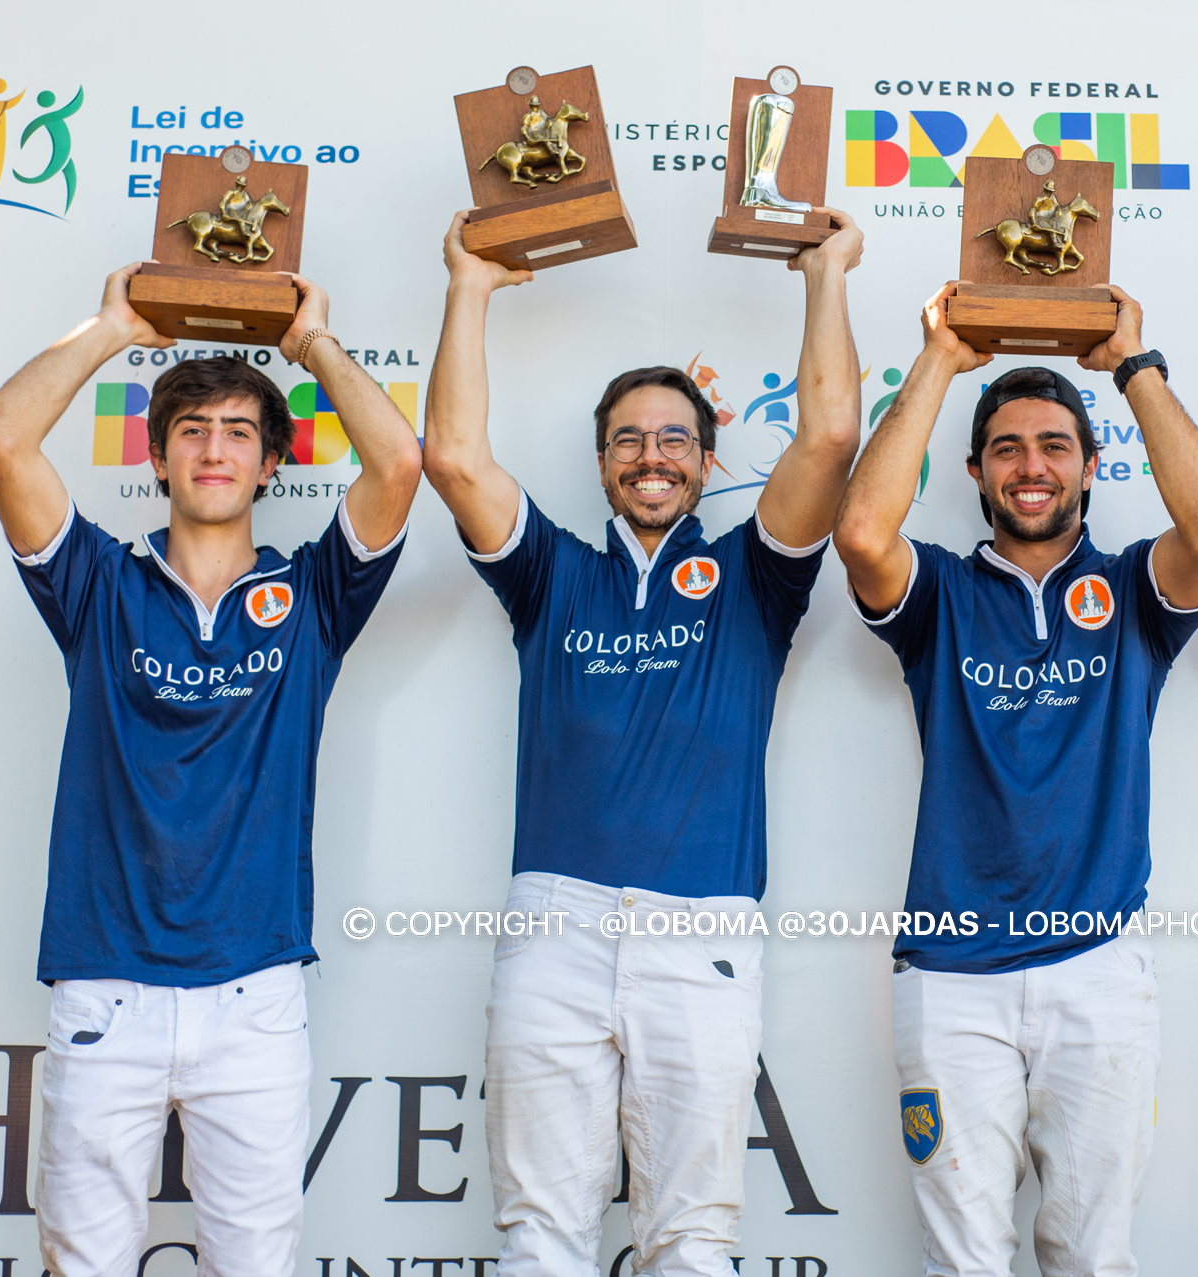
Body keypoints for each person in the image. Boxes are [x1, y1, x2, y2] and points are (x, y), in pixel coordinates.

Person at [420, 206, 865, 1277]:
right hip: (555, 929)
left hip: (702, 931)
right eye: (627, 437)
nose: (650, 453)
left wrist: (826, 275)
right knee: (539, 1237)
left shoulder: (757, 578)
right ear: (602, 461)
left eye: (674, 437)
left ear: (708, 463)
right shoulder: (552, 572)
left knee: (693, 1241)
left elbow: (832, 438)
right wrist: (469, 285)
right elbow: (451, 455)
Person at [0, 263, 423, 1277]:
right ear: (159, 457)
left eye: (237, 433)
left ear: (270, 466)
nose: (213, 447)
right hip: (104, 989)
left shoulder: (312, 596)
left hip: (255, 992)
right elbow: (2, 436)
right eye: (191, 430)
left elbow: (398, 462)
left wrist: (307, 346)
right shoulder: (96, 583)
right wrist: (115, 326)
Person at [832, 282, 1198, 1275]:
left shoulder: (1136, 589)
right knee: (963, 1260)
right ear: (973, 468)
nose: (1031, 466)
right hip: (952, 975)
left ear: (1092, 467)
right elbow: (860, 537)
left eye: (1056, 445)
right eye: (1008, 446)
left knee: (1090, 1257)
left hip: (1098, 970)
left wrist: (1133, 364)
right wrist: (939, 354)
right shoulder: (941, 591)